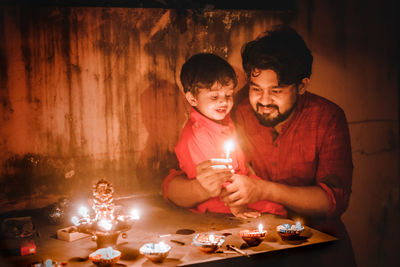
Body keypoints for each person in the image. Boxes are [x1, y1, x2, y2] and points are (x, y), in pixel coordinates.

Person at [163, 26, 356, 266]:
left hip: (318, 249)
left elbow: (333, 201)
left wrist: (262, 190)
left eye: (276, 91)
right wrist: (204, 187)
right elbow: (172, 184)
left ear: (302, 86)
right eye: (256, 89)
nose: (263, 101)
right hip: (255, 246)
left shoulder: (327, 118)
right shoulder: (238, 111)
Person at [168, 52, 287, 219]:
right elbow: (218, 179)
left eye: (228, 95)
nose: (223, 102)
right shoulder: (197, 135)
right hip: (220, 198)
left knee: (277, 206)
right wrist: (238, 207)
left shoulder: (224, 120)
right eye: (215, 96)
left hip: (237, 187)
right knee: (274, 208)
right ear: (192, 99)